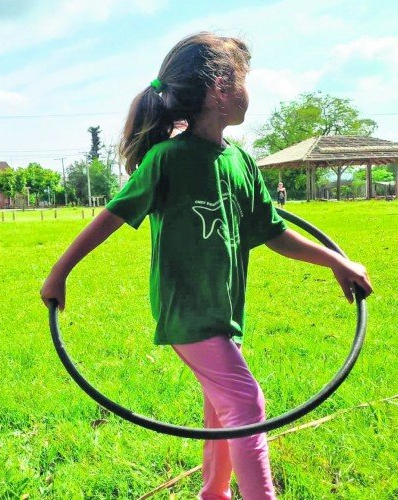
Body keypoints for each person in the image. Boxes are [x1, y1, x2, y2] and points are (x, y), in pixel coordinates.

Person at [41, 33, 372, 499]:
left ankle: (213, 493)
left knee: (222, 410)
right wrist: (60, 271)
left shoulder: (240, 161)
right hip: (186, 311)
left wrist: (335, 262)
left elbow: (273, 233)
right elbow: (111, 217)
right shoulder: (167, 160)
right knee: (245, 402)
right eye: (244, 80)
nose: (249, 91)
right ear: (221, 87)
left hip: (223, 309)